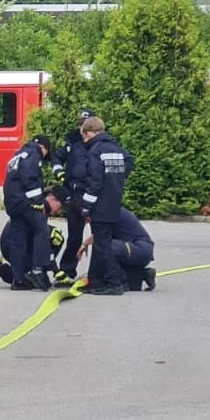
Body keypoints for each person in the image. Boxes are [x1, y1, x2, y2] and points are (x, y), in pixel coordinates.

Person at [79, 116, 134, 296]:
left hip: (100, 205)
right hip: (113, 203)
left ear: (91, 133)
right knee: (102, 243)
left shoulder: (95, 150)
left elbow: (95, 182)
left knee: (103, 246)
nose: (84, 141)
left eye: (85, 136)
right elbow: (123, 169)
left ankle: (115, 282)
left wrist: (86, 205)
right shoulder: (116, 149)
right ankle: (95, 281)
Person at [0, 186, 68, 289]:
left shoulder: (41, 206)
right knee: (27, 280)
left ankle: (33, 272)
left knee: (57, 238)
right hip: (11, 244)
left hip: (19, 243)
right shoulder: (38, 208)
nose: (59, 211)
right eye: (60, 207)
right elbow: (44, 244)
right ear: (52, 199)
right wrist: (55, 270)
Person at [1, 134, 55, 291]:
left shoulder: (18, 155)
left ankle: (18, 280)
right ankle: (37, 270)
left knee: (18, 239)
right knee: (41, 229)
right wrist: (38, 201)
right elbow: (29, 178)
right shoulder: (34, 153)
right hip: (25, 201)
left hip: (13, 202)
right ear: (44, 148)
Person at [52, 110, 96, 284]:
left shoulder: (99, 145)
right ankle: (67, 270)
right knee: (74, 236)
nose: (82, 128)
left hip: (93, 193)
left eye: (86, 124)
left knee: (100, 235)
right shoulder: (71, 143)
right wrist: (60, 173)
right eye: (81, 124)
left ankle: (98, 273)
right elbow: (56, 157)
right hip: (75, 194)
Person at [81, 206, 157, 293]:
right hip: (134, 250)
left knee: (105, 246)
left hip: (140, 248)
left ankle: (120, 281)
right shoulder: (107, 212)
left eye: (87, 218)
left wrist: (95, 279)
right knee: (132, 287)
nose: (87, 222)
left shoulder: (110, 214)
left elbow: (100, 238)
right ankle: (143, 274)